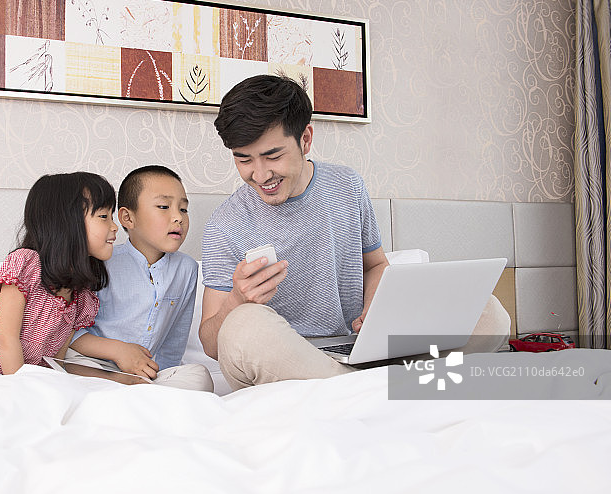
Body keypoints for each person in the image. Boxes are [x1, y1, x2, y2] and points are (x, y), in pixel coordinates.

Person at [199, 75, 510, 390]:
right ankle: (376, 388)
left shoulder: (347, 186)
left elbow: (375, 265)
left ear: (305, 139)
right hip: (286, 359)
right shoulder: (225, 224)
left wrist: (375, 311)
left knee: (489, 313)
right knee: (243, 327)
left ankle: (356, 387)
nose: (261, 174)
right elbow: (213, 344)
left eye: (273, 156)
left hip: (356, 349)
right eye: (244, 159)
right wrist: (237, 298)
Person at [0, 172, 118, 375]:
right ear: (65, 222)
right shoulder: (26, 265)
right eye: (104, 216)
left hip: (27, 379)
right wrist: (20, 390)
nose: (114, 226)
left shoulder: (81, 295)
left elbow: (55, 360)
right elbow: (6, 339)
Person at [67, 165, 214, 392]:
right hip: (93, 363)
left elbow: (174, 339)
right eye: (163, 207)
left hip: (144, 373)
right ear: (128, 218)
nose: (178, 218)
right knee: (65, 363)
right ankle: (120, 388)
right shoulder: (101, 261)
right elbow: (69, 330)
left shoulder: (187, 269)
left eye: (183, 209)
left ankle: (148, 394)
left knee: (199, 376)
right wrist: (118, 351)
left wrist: (162, 375)